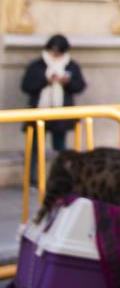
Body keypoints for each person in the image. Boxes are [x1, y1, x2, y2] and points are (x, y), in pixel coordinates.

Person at [22, 34, 87, 180]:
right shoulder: (37, 65)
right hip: (39, 112)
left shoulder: (71, 65)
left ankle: (62, 179)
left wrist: (67, 82)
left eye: (58, 51)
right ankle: (31, 179)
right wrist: (45, 80)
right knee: (35, 148)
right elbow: (26, 86)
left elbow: (80, 86)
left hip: (60, 114)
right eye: (53, 50)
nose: (55, 54)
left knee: (60, 148)